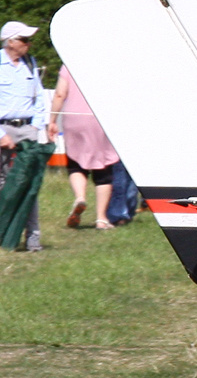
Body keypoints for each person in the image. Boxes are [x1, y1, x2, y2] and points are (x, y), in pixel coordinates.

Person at [47, 67, 118, 230]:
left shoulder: (68, 65)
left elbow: (59, 94)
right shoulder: (105, 65)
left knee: (75, 164)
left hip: (74, 120)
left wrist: (52, 120)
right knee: (104, 168)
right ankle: (101, 218)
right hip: (99, 118)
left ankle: (80, 197)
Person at [0, 20, 46, 251]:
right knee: (4, 184)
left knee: (29, 184)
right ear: (11, 42)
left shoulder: (30, 63)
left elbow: (39, 98)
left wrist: (36, 127)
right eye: (24, 39)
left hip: (28, 129)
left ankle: (33, 239)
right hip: (3, 130)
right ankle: (5, 236)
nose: (29, 44)